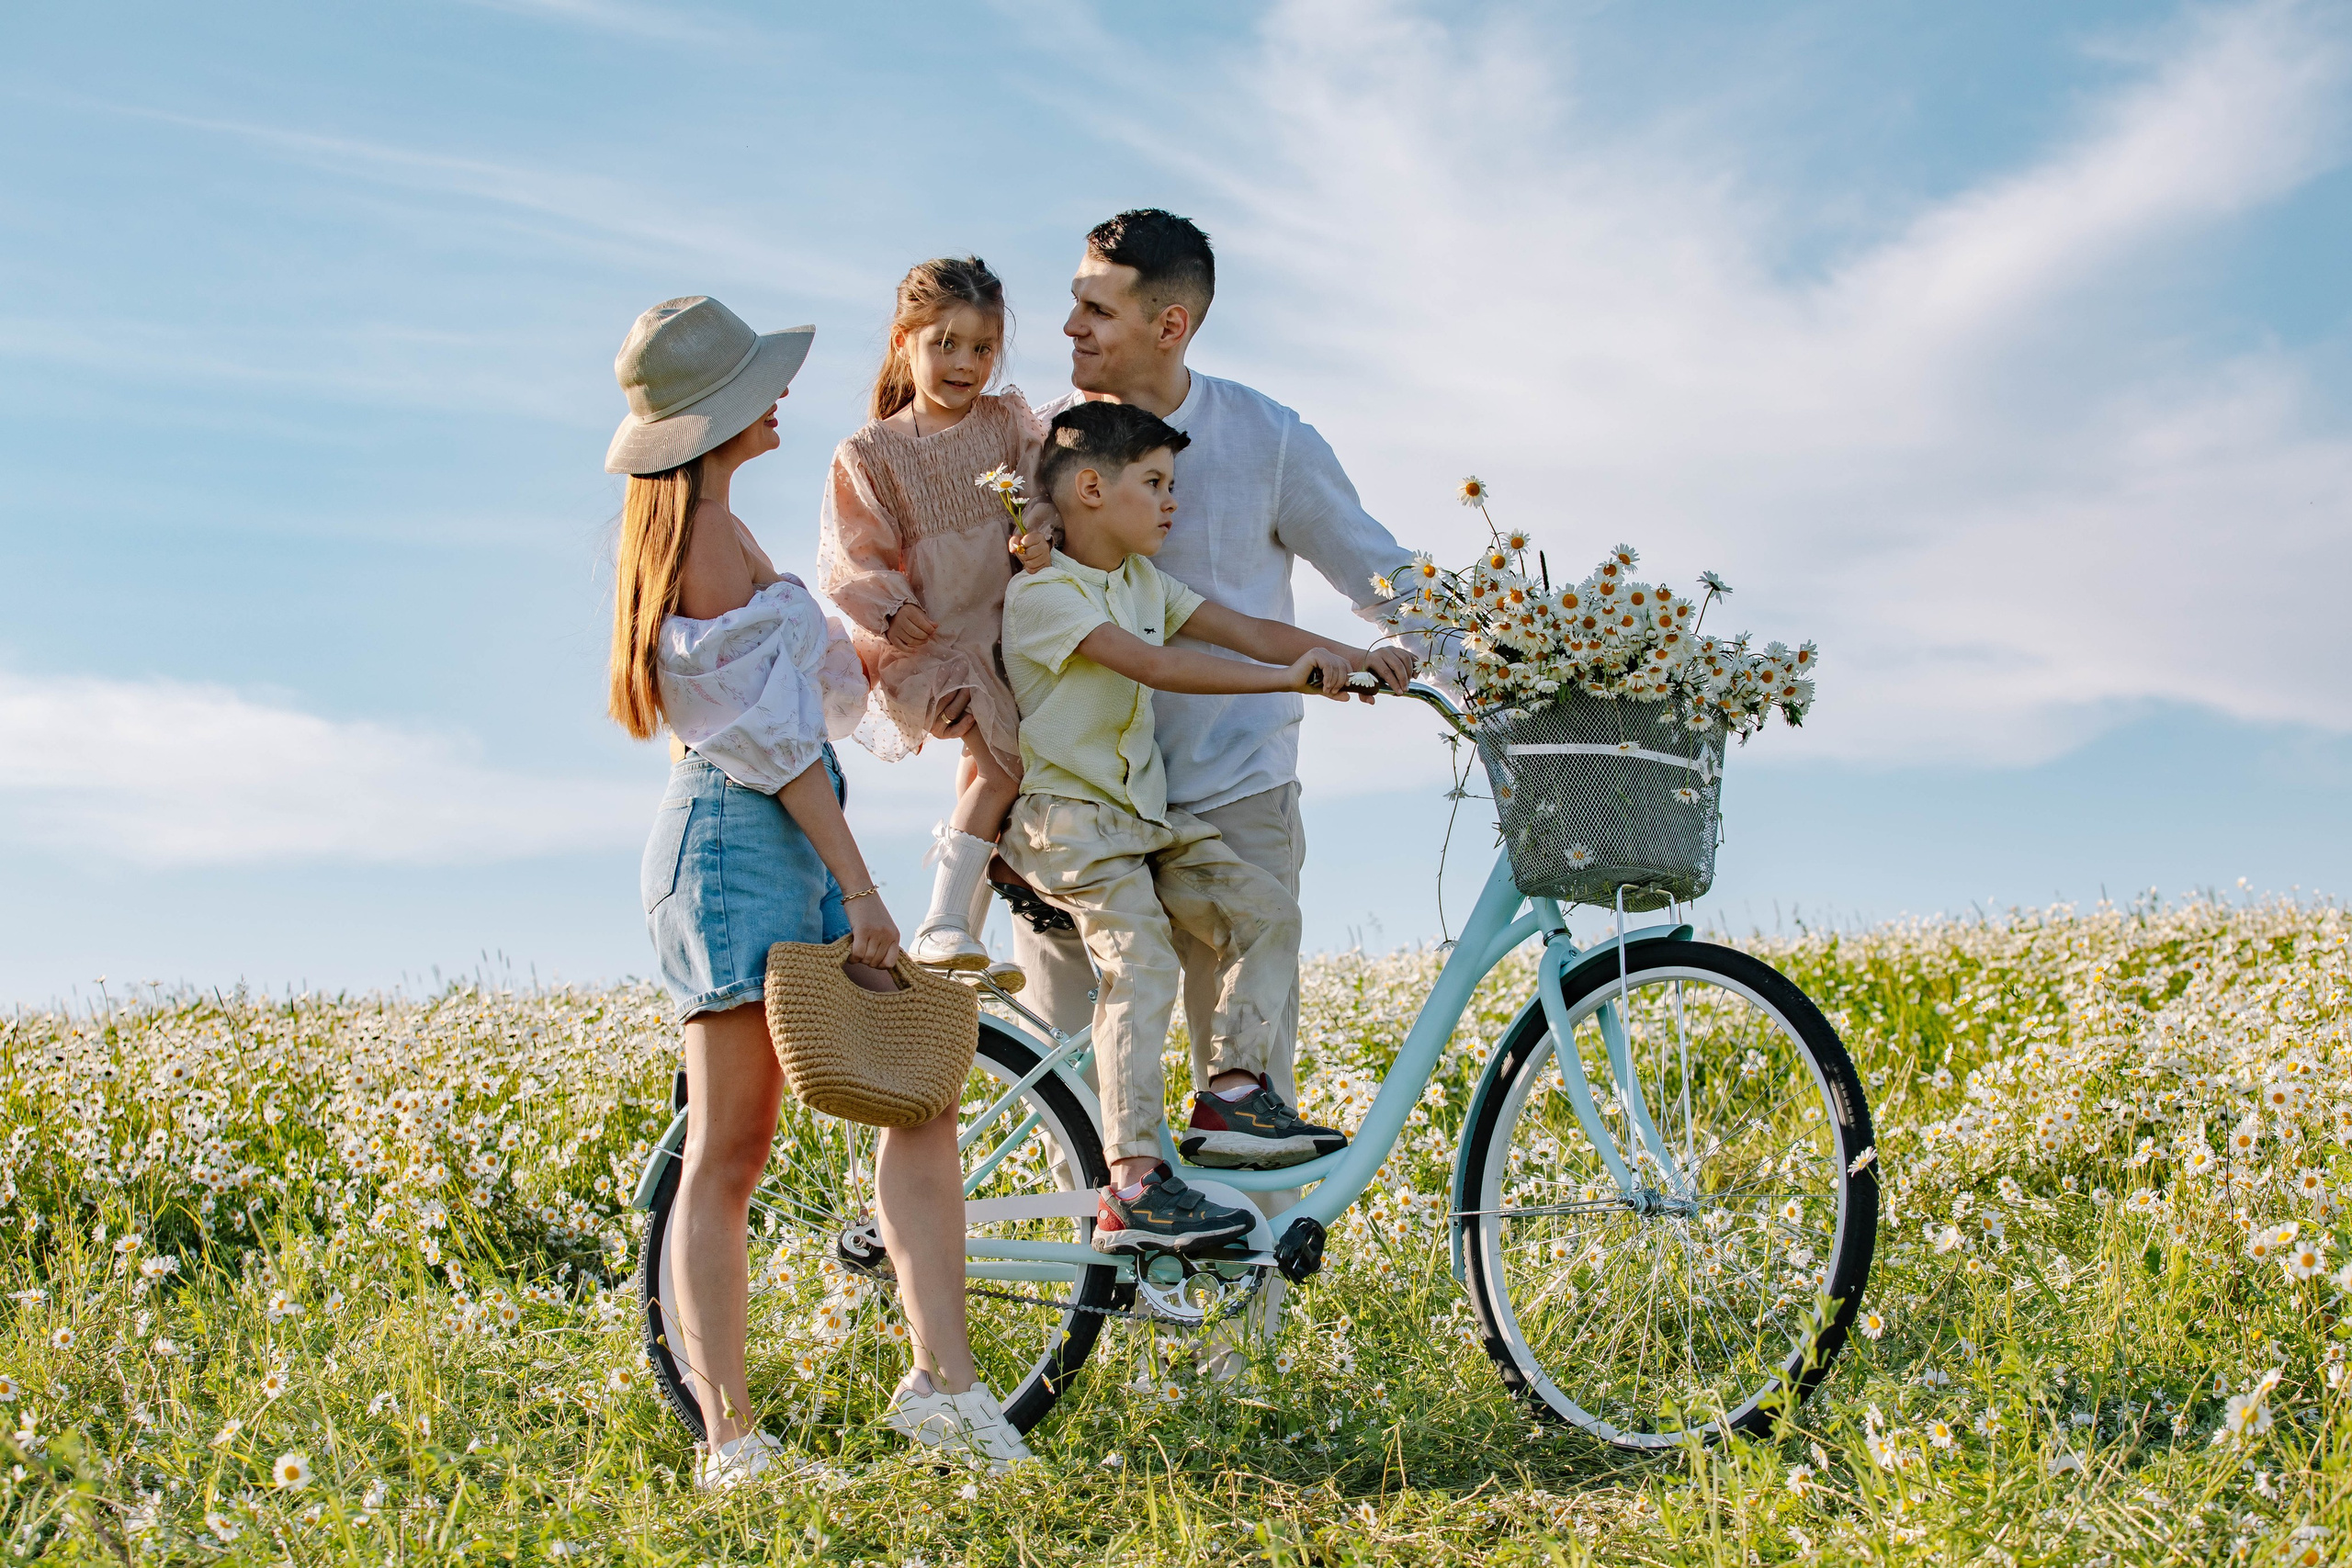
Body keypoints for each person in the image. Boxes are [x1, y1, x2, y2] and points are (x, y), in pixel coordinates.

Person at [604, 297, 1030, 1486]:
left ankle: (945, 1383)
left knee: (916, 1089)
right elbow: (773, 744)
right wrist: (864, 888)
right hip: (742, 846)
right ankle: (731, 1438)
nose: (783, 394)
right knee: (730, 1148)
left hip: (783, 834)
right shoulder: (698, 543)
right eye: (758, 383)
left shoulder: (727, 535)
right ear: (714, 418)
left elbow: (827, 708)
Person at [1016, 211, 1420, 1349]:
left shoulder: (1265, 437)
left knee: (1245, 1103)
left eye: (1095, 306)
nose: (1069, 326)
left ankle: (1241, 1359)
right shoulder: (1046, 444)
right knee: (1079, 1092)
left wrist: (1490, 648)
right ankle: (1124, 1353)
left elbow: (1373, 567)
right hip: (1078, 806)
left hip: (1232, 798)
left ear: (1169, 321)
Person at [998, 400, 1379, 1253]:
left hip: (1139, 818)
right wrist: (1293, 681)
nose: (1174, 502)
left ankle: (1234, 1091)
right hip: (1074, 827)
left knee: (1268, 912)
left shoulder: (1140, 583)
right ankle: (1132, 1181)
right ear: (1091, 488)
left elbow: (1247, 630)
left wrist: (1350, 660)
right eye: (1157, 483)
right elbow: (1156, 664)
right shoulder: (1045, 594)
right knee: (1142, 965)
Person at [818, 258, 1053, 985]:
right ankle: (943, 920)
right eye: (945, 343)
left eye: (981, 348)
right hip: (935, 641)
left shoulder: (1005, 421)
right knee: (1006, 762)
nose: (965, 363)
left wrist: (1039, 528)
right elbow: (852, 555)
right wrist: (891, 608)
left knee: (994, 768)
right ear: (903, 341)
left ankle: (962, 945)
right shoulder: (871, 452)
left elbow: (1044, 488)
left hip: (1009, 628)